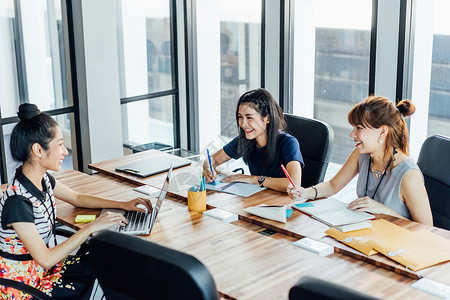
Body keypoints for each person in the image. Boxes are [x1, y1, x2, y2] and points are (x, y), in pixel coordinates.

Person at [0, 104, 153, 299]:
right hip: (24, 286)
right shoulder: (18, 202)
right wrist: (90, 227)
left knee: (106, 263)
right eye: (60, 144)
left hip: (43, 271)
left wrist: (123, 204)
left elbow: (77, 198)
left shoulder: (42, 180)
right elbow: (46, 259)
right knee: (104, 271)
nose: (64, 152)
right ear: (38, 150)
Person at [288, 96, 432, 225]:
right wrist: (306, 193)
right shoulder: (361, 154)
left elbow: (426, 230)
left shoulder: (409, 175)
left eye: (359, 128)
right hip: (366, 235)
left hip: (396, 246)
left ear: (382, 131)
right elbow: (333, 185)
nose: (352, 134)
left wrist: (383, 210)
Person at [203, 88, 304, 192]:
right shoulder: (245, 140)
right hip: (258, 198)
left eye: (249, 117)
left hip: (283, 203)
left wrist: (254, 179)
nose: (243, 123)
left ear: (267, 118)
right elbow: (212, 160)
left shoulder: (288, 143)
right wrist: (208, 169)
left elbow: (294, 184)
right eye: (240, 117)